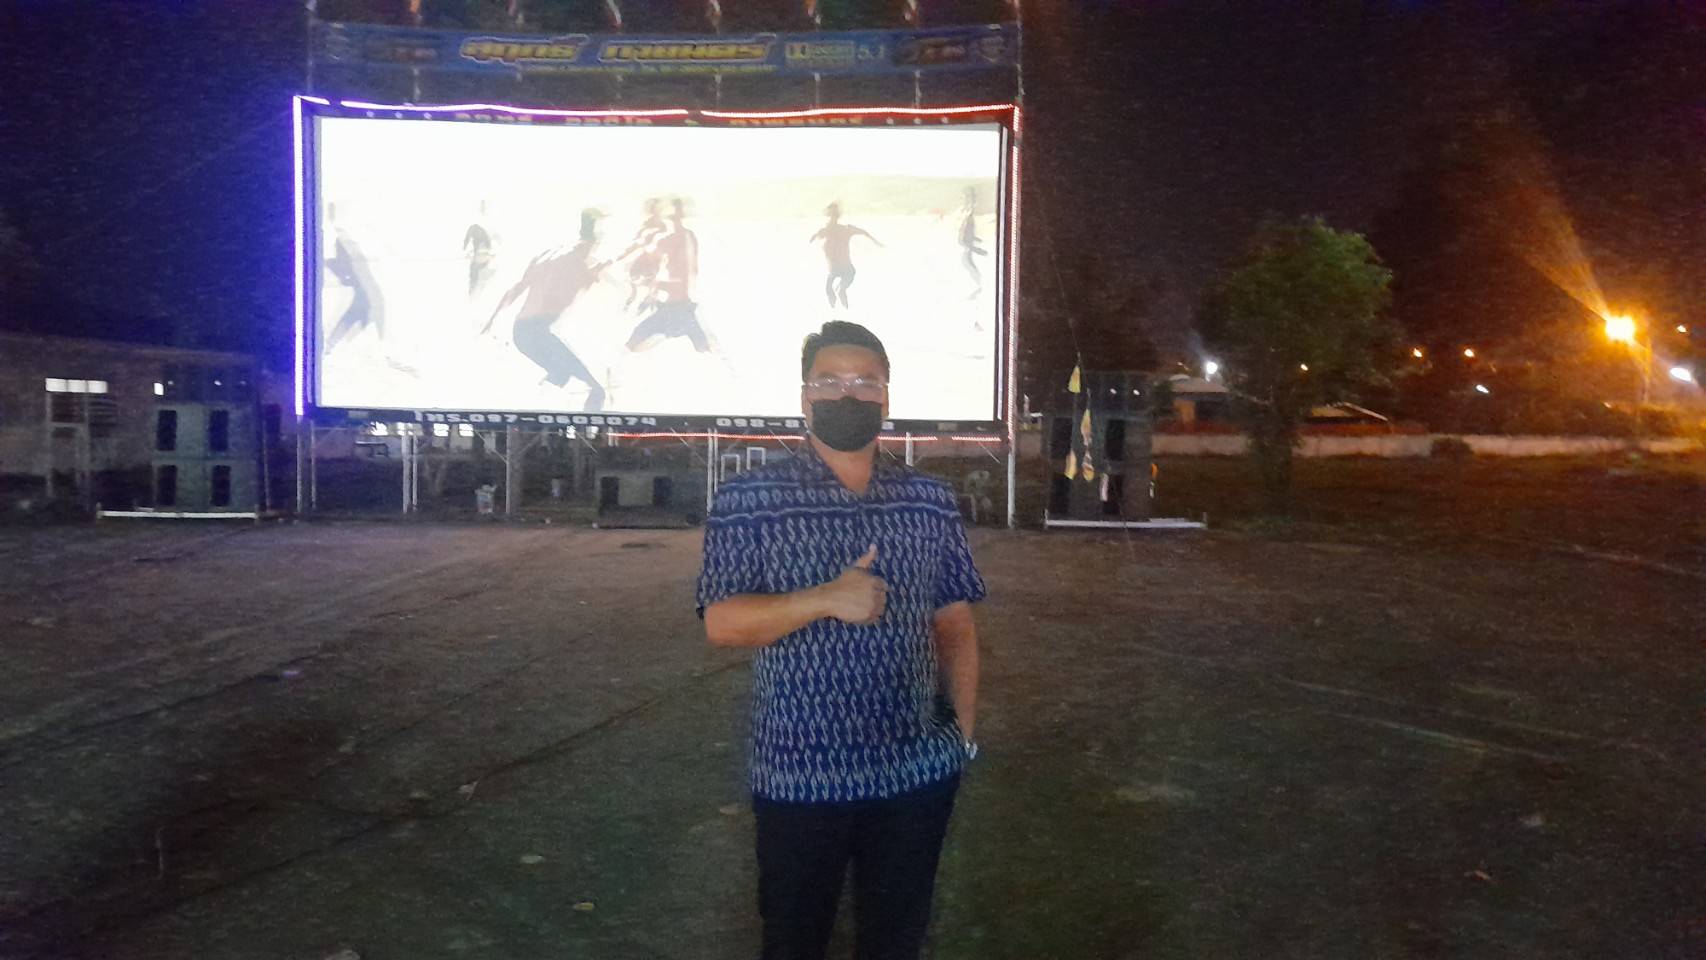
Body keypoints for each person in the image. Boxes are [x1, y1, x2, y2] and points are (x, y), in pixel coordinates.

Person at [697, 320, 985, 960]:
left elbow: (955, 624)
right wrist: (823, 599)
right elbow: (722, 622)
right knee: (794, 941)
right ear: (805, 399)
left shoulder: (928, 499)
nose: (847, 395)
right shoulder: (750, 499)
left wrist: (960, 739)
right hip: (799, 776)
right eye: (829, 382)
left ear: (886, 398)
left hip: (916, 774)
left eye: (864, 382)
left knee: (896, 940)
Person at [482, 208, 609, 411]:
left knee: (560, 373)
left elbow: (516, 289)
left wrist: (491, 321)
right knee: (596, 390)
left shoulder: (546, 256)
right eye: (597, 245)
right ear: (591, 243)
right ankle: (589, 428)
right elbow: (557, 298)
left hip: (521, 332)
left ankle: (533, 407)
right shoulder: (575, 262)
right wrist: (588, 280)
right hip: (538, 331)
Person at [625, 198, 711, 353]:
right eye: (672, 217)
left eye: (675, 217)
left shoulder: (682, 239)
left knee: (635, 339)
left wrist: (652, 284)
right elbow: (649, 263)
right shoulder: (669, 240)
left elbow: (685, 277)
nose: (674, 221)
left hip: (679, 309)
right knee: (635, 339)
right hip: (674, 308)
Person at [810, 202, 883, 310]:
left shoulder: (844, 229)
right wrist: (815, 236)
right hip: (837, 269)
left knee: (838, 289)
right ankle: (835, 311)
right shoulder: (827, 231)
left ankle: (842, 308)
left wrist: (876, 242)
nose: (830, 219)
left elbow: (863, 232)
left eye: (833, 216)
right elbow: (812, 239)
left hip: (845, 269)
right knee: (831, 289)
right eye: (830, 216)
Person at [957, 187, 987, 302]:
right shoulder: (967, 221)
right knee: (976, 276)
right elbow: (963, 240)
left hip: (967, 251)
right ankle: (969, 194)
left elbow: (966, 237)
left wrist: (976, 240)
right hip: (966, 253)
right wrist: (978, 250)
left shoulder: (968, 220)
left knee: (975, 274)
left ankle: (969, 194)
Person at [463, 200, 497, 297]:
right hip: (480, 258)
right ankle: (473, 292)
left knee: (480, 274)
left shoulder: (490, 223)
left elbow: (493, 242)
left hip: (486, 259)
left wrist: (491, 253)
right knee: (475, 275)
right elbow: (467, 241)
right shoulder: (475, 226)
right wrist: (467, 252)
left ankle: (476, 291)